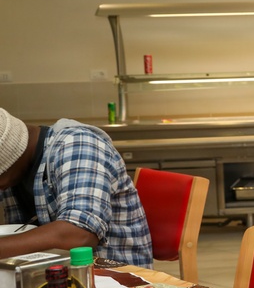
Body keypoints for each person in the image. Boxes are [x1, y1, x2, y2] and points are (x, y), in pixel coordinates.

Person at [0, 109, 152, 266]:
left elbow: (79, 235)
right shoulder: (16, 170)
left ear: (9, 155)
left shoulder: (78, 144)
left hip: (115, 280)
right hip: (55, 276)